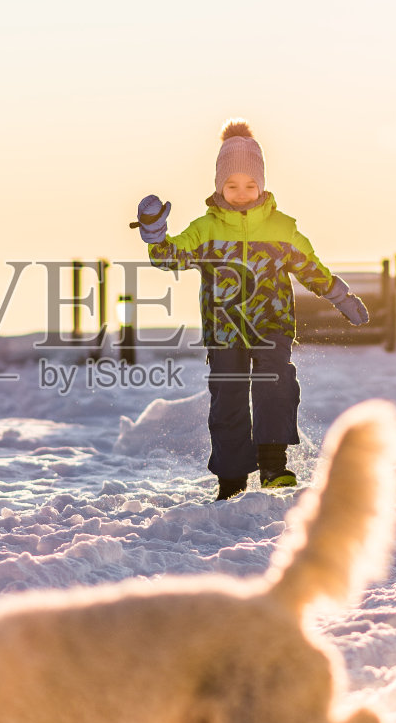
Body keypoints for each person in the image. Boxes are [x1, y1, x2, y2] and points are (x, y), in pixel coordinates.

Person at [135, 120, 369, 500]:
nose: (241, 193)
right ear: (219, 187)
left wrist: (339, 296)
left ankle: (274, 465)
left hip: (272, 325)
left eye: (249, 185)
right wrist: (155, 233)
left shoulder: (282, 227)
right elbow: (169, 259)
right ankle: (230, 479)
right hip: (224, 331)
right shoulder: (205, 229)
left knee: (275, 386)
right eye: (232, 186)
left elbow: (311, 267)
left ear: (261, 184)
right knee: (227, 400)